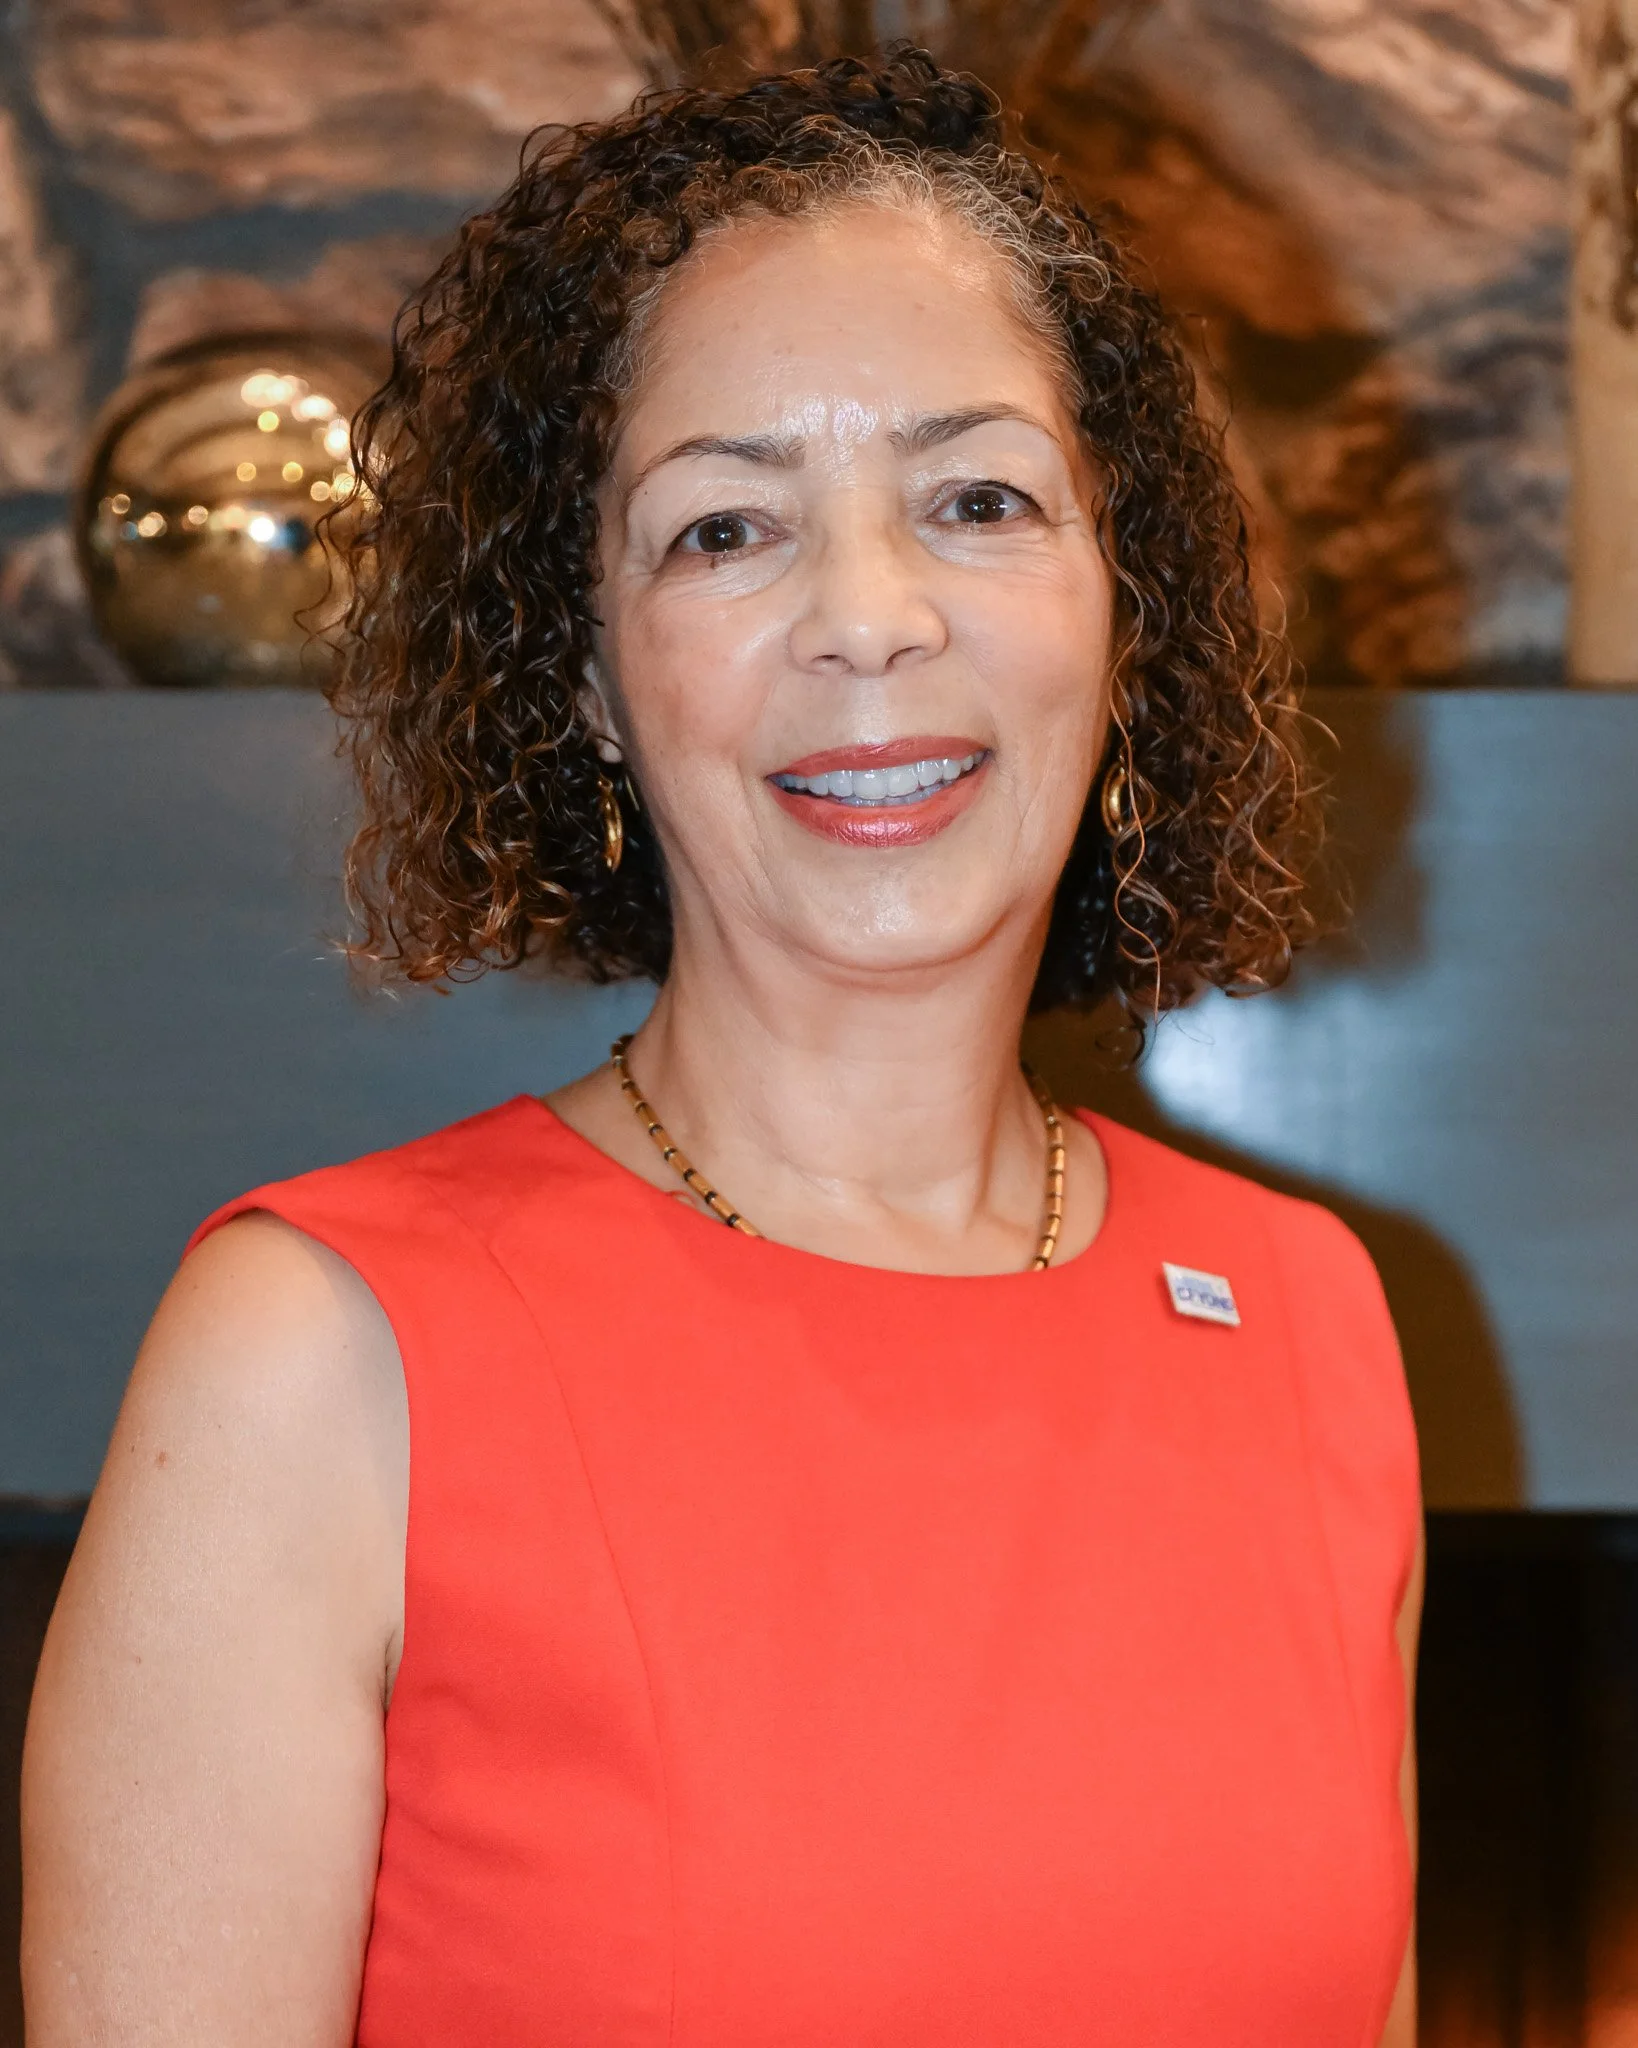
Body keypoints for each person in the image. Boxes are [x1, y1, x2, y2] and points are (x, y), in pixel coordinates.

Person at [22, 48, 1422, 2048]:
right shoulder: (312, 1361)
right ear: (587, 673)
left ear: (1124, 600)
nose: (872, 617)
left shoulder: (1315, 1326)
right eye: (723, 532)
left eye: (977, 497)